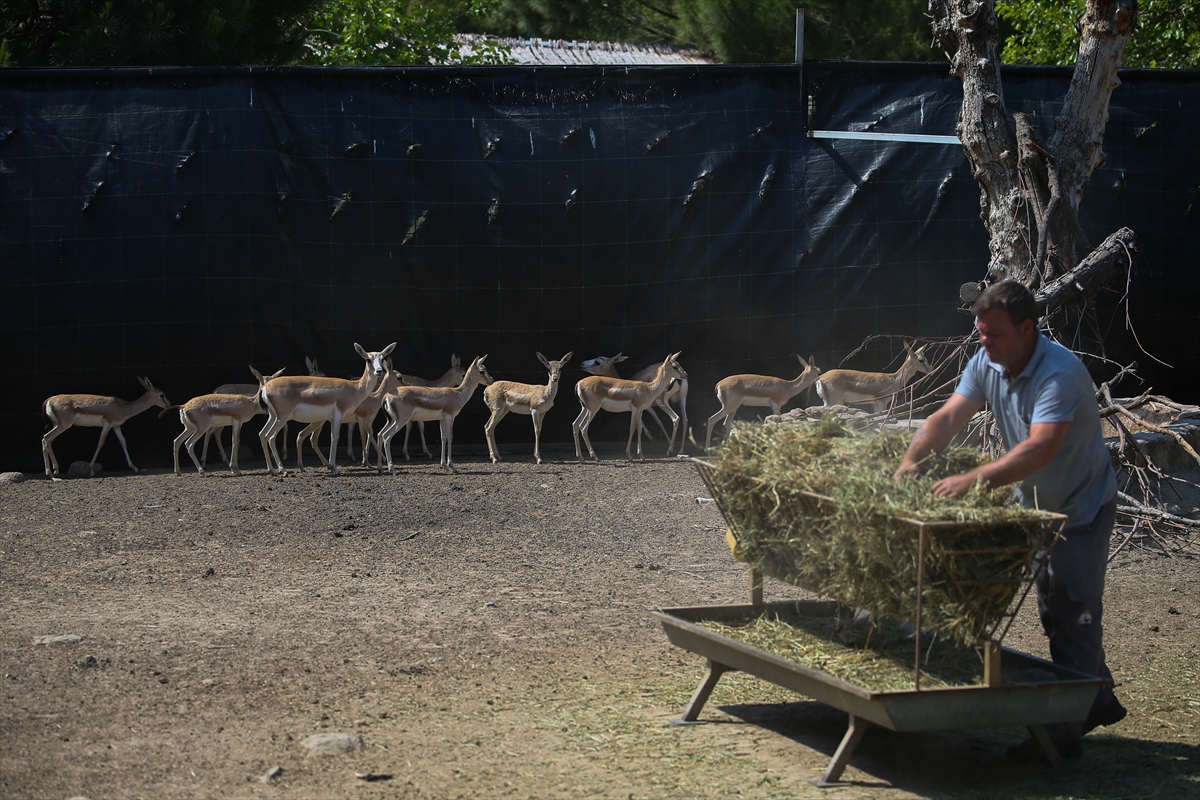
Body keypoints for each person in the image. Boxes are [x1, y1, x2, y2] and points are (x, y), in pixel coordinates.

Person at [893, 280, 1126, 763]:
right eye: (980, 333)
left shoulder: (1059, 372)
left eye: (993, 334)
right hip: (1035, 502)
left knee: (1072, 607)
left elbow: (1041, 448)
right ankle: (1096, 696)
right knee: (1054, 605)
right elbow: (947, 417)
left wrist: (972, 480)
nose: (984, 342)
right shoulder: (988, 361)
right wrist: (911, 459)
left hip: (1080, 505)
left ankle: (1063, 738)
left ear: (1027, 329)